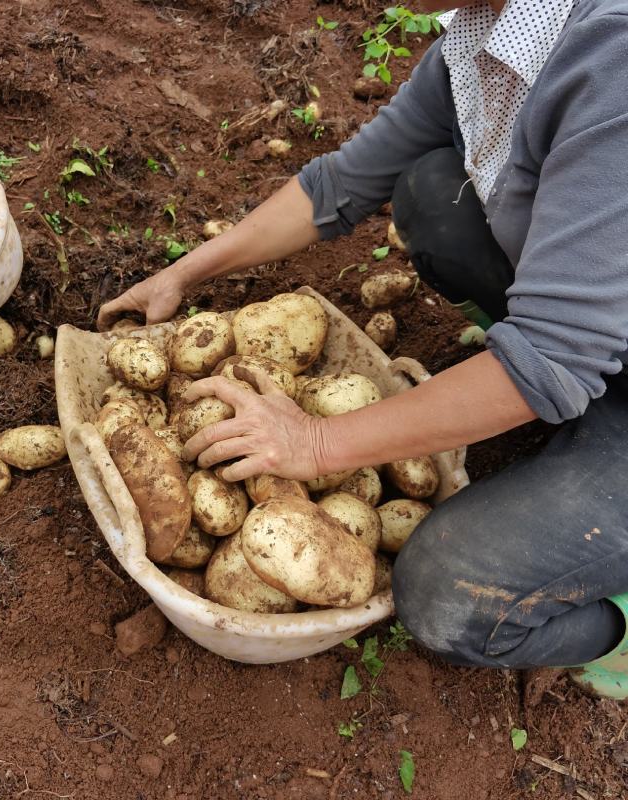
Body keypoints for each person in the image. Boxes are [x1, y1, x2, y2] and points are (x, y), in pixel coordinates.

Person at [97, 0, 628, 699]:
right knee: (437, 195)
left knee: (446, 594)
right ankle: (539, 376)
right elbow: (341, 184)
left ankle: (617, 626)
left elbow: (553, 357)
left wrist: (315, 444)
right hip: (590, 340)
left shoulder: (611, 57)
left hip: (591, 372)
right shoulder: (487, 37)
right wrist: (184, 273)